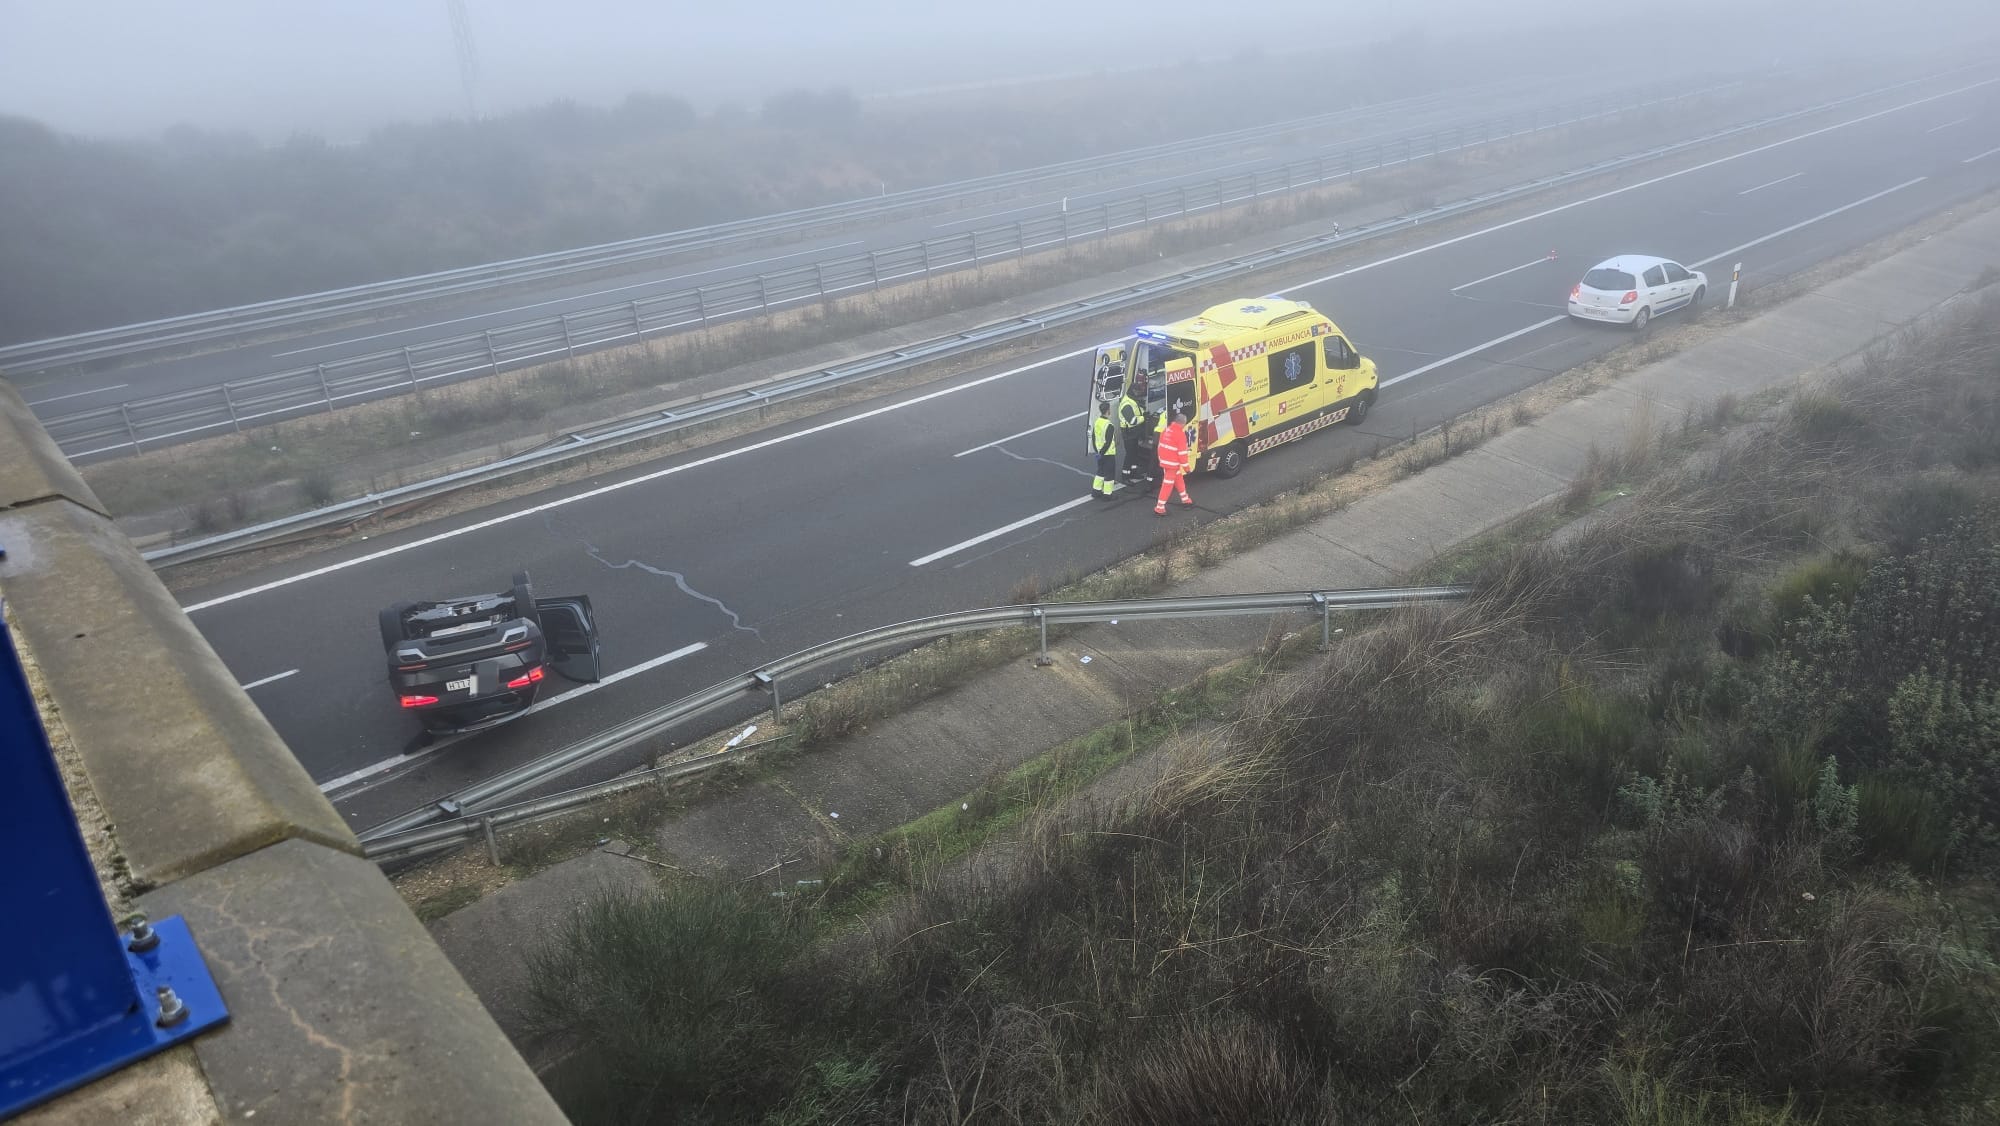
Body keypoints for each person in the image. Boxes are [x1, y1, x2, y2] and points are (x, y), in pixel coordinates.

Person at [1154, 409, 1194, 515]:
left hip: (1165, 462)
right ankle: (1159, 508)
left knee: (1179, 480)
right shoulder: (1180, 435)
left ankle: (1186, 500)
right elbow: (1182, 455)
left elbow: (1160, 446)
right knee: (1167, 485)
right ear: (1183, 424)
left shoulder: (1166, 430)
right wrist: (1187, 469)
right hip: (1172, 464)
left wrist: (1161, 460)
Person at [1117, 375, 1152, 481]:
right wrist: (1143, 417)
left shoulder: (1132, 400)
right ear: (1132, 391)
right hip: (1129, 433)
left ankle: (1133, 472)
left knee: (1135, 453)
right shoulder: (1126, 404)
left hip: (1134, 433)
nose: (1138, 394)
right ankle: (1125, 475)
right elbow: (1132, 421)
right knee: (1130, 455)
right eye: (1137, 392)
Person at [1089, 401, 1118, 500]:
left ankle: (1096, 491)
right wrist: (1102, 453)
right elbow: (1108, 442)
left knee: (1100, 472)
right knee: (1109, 474)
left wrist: (1098, 452)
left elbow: (1093, 437)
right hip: (1108, 454)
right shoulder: (1109, 425)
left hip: (1099, 453)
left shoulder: (1097, 422)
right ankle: (1107, 494)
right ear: (1108, 411)